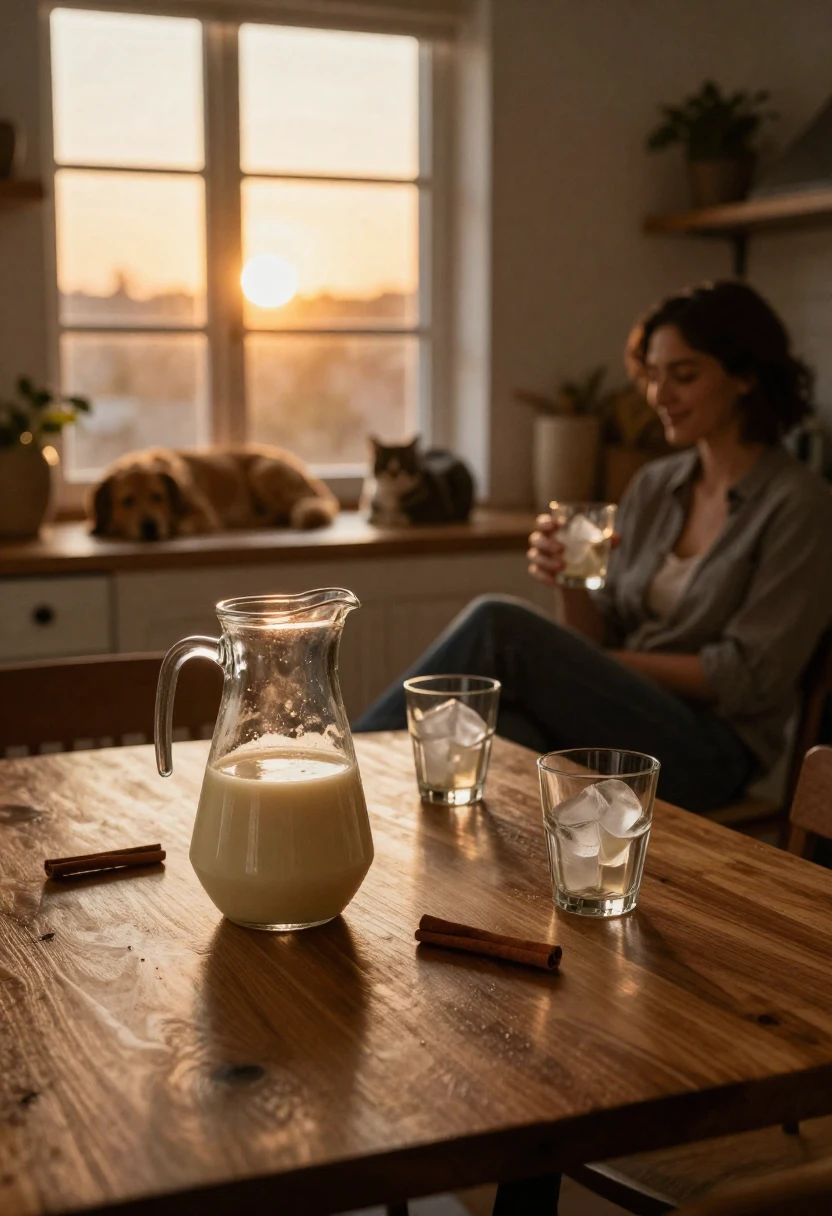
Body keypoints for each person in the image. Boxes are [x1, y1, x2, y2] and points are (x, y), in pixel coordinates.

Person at [354, 281, 832, 812]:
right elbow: (593, 632)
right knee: (495, 734)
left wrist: (595, 662)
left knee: (499, 625)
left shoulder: (799, 504)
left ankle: (335, 775)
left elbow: (745, 677)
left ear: (745, 376)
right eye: (652, 376)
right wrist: (569, 585)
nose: (659, 395)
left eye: (684, 375)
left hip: (709, 751)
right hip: (619, 723)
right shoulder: (656, 484)